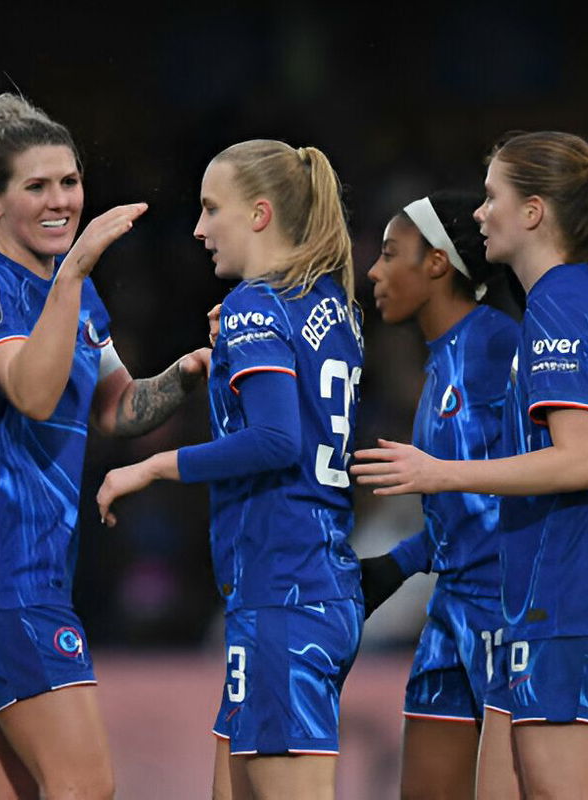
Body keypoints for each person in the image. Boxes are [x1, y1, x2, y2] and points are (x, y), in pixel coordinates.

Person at [350, 131, 588, 797]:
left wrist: (441, 473)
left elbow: (579, 462)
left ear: (534, 212)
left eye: (492, 197)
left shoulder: (556, 309)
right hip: (560, 605)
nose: (479, 212)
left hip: (564, 605)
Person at [0, 93, 210, 799]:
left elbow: (116, 407)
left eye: (70, 182)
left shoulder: (70, 291)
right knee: (85, 787)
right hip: (0, 577)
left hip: (33, 575)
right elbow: (32, 390)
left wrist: (186, 372)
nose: (61, 201)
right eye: (37, 186)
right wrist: (78, 269)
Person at [97, 139, 362, 800]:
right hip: (308, 582)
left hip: (282, 591)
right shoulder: (333, 307)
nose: (199, 227)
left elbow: (277, 441)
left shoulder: (256, 306)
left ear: (260, 214)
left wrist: (155, 465)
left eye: (212, 209)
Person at [357, 190, 522, 798]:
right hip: (451, 612)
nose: (373, 271)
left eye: (389, 253)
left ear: (435, 264)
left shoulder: (496, 348)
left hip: (506, 614)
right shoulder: (443, 364)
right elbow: (471, 501)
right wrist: (398, 565)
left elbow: (542, 480)